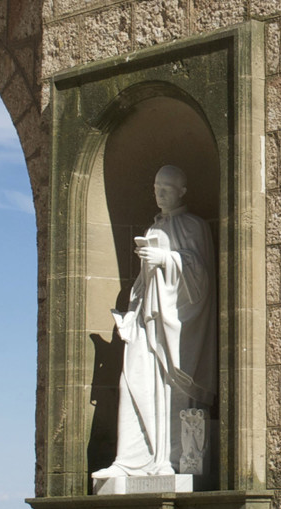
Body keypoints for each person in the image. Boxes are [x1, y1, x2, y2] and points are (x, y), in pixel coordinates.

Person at [93, 163, 216, 484]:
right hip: (148, 321)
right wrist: (132, 312)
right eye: (156, 188)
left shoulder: (195, 226)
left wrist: (168, 260)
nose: (159, 194)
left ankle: (172, 460)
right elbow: (143, 282)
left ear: (182, 191)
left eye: (166, 188)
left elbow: (201, 280)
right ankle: (130, 460)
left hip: (177, 327)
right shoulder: (151, 230)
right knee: (132, 381)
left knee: (171, 390)